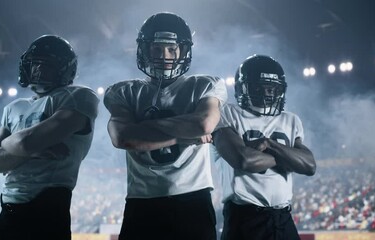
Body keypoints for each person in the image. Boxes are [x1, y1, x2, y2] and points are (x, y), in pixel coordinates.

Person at [103, 12, 227, 240]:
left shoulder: (205, 85)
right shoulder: (124, 91)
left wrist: (144, 128)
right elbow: (123, 138)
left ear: (183, 51)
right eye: (157, 49)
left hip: (193, 200)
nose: (165, 56)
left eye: (171, 49)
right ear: (145, 50)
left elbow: (203, 124)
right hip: (142, 201)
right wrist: (182, 136)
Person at [0, 35, 99, 240]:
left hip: (48, 209)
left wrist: (13, 145)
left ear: (65, 70)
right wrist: (34, 151)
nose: (38, 70)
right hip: (7, 210)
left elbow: (25, 143)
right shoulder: (14, 107)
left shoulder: (79, 96)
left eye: (48, 65)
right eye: (35, 64)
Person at [212, 54, 316, 240]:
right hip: (244, 218)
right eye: (260, 87)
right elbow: (244, 160)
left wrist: (268, 144)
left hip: (283, 218)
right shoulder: (227, 113)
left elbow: (309, 166)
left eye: (273, 88)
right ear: (243, 88)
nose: (268, 93)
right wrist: (288, 159)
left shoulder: (290, 119)